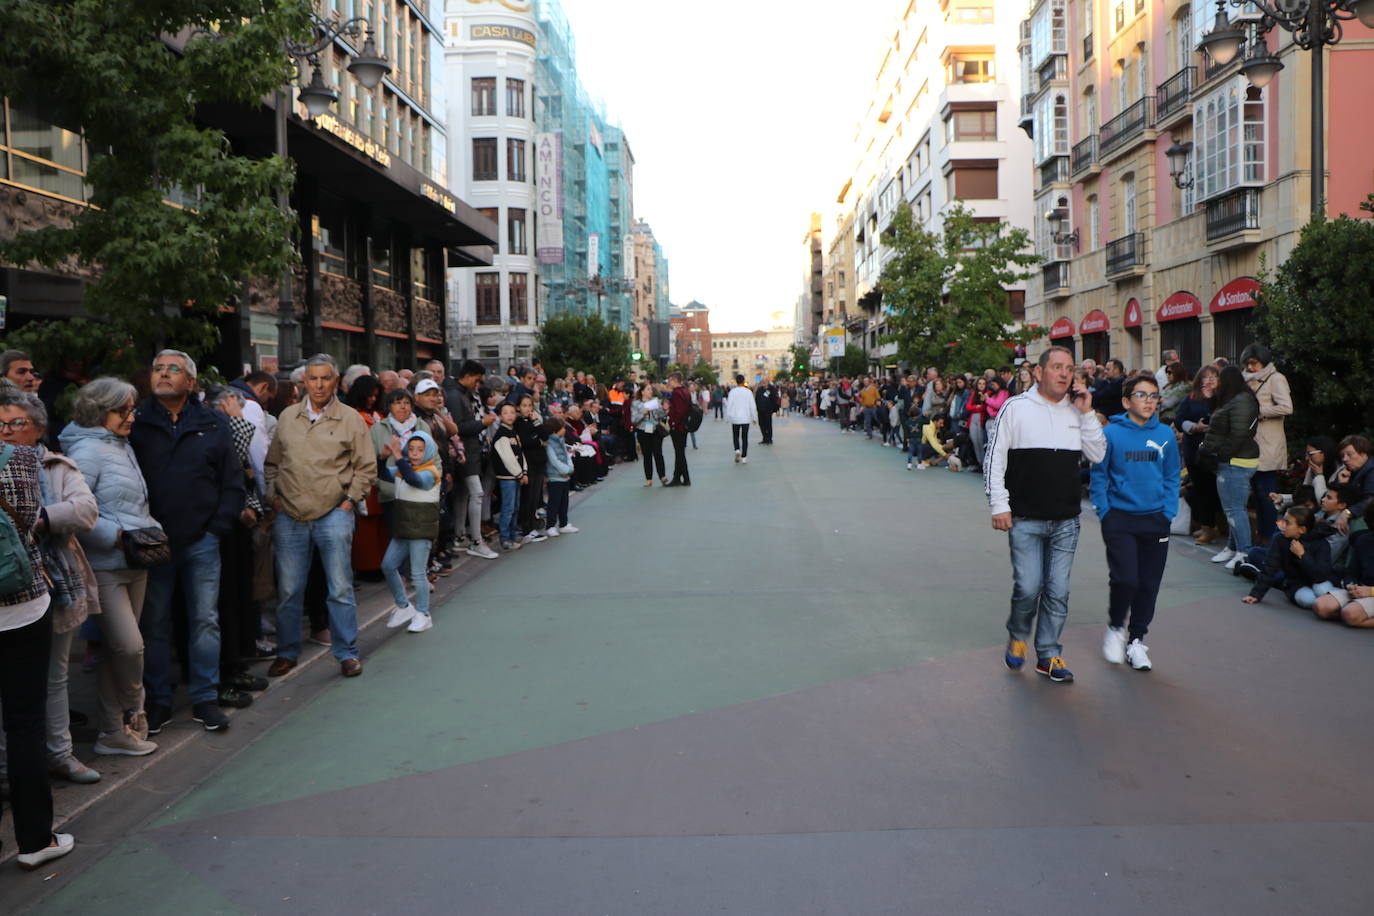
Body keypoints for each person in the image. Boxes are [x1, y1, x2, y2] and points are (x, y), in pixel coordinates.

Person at [130, 350, 244, 733]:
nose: (163, 374)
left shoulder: (213, 423)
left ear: (191, 382)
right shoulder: (137, 422)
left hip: (203, 541)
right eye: (158, 368)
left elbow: (232, 482)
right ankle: (159, 701)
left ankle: (205, 698)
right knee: (155, 623)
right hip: (154, 541)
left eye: (173, 369)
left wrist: (216, 527)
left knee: (205, 621)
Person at [985, 346, 1106, 683]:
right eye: (1057, 367)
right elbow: (995, 459)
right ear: (1039, 373)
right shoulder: (1015, 408)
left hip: (1066, 519)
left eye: (1069, 368)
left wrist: (1087, 414)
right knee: (1028, 586)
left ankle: (1049, 654)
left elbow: (1097, 454)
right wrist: (999, 504)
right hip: (1024, 518)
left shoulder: (1077, 411)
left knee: (1058, 590)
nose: (1065, 373)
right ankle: (1018, 634)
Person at [0, 391, 101, 784]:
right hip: (8, 587)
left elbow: (86, 510)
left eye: (15, 423)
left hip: (54, 581)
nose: (5, 432)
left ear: (39, 428)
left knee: (55, 675)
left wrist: (40, 518)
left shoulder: (56, 465)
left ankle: (61, 753)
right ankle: (9, 768)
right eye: (0, 424)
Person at [59, 379, 160, 755]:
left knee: (114, 651)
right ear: (101, 411)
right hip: (106, 564)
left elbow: (134, 504)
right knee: (129, 647)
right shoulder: (87, 450)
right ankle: (135, 711)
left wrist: (150, 531)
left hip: (136, 559)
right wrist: (118, 537)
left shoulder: (119, 444)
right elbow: (78, 510)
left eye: (132, 409)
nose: (131, 417)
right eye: (124, 410)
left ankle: (113, 732)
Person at [264, 354, 377, 679]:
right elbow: (272, 463)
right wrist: (275, 497)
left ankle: (346, 653)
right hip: (291, 515)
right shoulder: (287, 417)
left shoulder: (350, 418)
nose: (318, 384)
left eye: (324, 378)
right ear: (304, 383)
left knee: (339, 588)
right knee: (288, 590)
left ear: (335, 381)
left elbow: (366, 466)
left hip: (334, 513)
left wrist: (349, 501)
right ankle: (287, 652)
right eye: (312, 378)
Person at [0, 430, 77, 869]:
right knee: (25, 725)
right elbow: (31, 523)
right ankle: (34, 840)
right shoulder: (24, 459)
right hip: (23, 604)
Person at [1090, 374, 1180, 672]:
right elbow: (1099, 475)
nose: (1149, 401)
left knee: (1148, 584)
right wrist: (1104, 510)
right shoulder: (1112, 434)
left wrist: (1168, 511)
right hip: (1119, 518)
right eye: (1142, 395)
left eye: (1154, 395)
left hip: (1156, 519)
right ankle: (1116, 628)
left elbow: (1171, 475)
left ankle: (1136, 641)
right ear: (1127, 401)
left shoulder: (1166, 435)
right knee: (1126, 578)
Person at [378, 430, 442, 634]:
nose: (414, 453)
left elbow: (414, 479)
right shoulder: (401, 469)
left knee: (417, 574)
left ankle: (424, 614)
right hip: (403, 529)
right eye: (411, 449)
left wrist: (397, 456)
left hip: (421, 530)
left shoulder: (430, 472)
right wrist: (383, 457)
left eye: (420, 450)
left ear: (429, 451)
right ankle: (404, 606)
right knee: (388, 565)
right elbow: (381, 473)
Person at [1201, 366, 1260, 569]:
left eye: (1218, 378)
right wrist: (1210, 398)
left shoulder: (1241, 401)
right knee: (1232, 509)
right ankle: (1232, 547)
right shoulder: (1234, 399)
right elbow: (1221, 423)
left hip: (1236, 462)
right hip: (1232, 461)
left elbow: (1238, 435)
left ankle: (1244, 552)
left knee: (1235, 509)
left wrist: (1220, 456)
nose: (1215, 382)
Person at [448, 360, 499, 560]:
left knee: (464, 495)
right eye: (476, 380)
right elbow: (458, 428)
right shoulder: (456, 395)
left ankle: (461, 536)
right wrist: (482, 423)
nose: (478, 385)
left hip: (467, 452)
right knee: (475, 494)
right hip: (465, 453)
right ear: (468, 376)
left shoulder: (458, 393)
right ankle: (476, 540)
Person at [1241, 344, 1292, 545]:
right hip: (1250, 444)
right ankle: (1262, 536)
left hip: (1269, 444)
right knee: (1257, 495)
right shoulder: (1246, 380)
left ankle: (1270, 538)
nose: (1251, 367)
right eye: (1248, 364)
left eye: (1254, 363)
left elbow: (1287, 407)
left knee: (1267, 495)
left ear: (1264, 360)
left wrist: (1259, 411)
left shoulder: (1276, 378)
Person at [1241, 506, 1334, 609]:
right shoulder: (1280, 540)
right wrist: (1255, 594)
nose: (1281, 525)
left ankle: (1336, 607)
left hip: (1318, 581)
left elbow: (1321, 576)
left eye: (1287, 523)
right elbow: (1269, 568)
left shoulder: (1321, 543)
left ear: (1302, 529)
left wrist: (1303, 556)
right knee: (1308, 599)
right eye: (1282, 521)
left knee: (1323, 591)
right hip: (1295, 585)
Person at [1174, 365, 1220, 544]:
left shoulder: (1221, 399)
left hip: (1214, 451)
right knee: (1200, 489)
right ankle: (1206, 526)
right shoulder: (1191, 398)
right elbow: (1178, 419)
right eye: (1205, 377)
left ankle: (1210, 526)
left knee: (1211, 489)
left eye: (1213, 377)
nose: (1208, 381)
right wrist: (1193, 427)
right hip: (1193, 448)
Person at [1312, 500, 1374, 627]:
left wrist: (1371, 591)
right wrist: (1351, 586)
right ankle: (1356, 613)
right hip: (1360, 589)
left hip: (1371, 591)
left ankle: (1354, 614)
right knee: (1321, 606)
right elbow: (1351, 572)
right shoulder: (1364, 540)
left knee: (1350, 614)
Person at [491, 401, 526, 550]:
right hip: (507, 477)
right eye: (505, 413)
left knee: (515, 507)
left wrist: (524, 471)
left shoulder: (513, 432)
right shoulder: (501, 434)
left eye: (512, 412)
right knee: (508, 508)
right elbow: (508, 458)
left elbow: (520, 453)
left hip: (516, 476)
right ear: (500, 416)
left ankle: (513, 534)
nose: (509, 415)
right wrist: (519, 474)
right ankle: (505, 538)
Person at [543, 418, 577, 537]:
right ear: (555, 430)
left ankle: (563, 524)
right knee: (554, 502)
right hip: (555, 478)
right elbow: (554, 461)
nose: (564, 429)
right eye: (562, 427)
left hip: (565, 477)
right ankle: (550, 526)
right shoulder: (549, 444)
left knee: (564, 501)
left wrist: (569, 469)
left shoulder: (561, 441)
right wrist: (566, 470)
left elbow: (567, 456)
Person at [631, 382, 669, 485]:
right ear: (642, 391)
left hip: (655, 429)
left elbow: (661, 415)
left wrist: (663, 409)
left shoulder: (655, 401)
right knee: (647, 455)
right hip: (643, 430)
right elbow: (633, 420)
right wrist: (642, 413)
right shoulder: (636, 404)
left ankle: (662, 476)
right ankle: (649, 479)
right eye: (648, 389)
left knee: (658, 453)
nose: (650, 391)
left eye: (651, 390)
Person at [666, 373, 692, 487]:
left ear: (675, 380)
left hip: (678, 426)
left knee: (680, 453)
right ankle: (677, 477)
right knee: (679, 452)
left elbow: (679, 411)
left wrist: (672, 423)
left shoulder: (676, 392)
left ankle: (685, 478)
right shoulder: (686, 391)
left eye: (670, 380)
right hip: (684, 426)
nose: (669, 383)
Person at [724, 375, 758, 464]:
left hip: (735, 418)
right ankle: (744, 457)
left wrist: (728, 417)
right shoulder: (748, 392)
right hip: (746, 418)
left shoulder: (732, 392)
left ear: (736, 381)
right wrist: (754, 417)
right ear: (743, 381)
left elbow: (729, 404)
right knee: (745, 437)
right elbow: (752, 405)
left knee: (735, 436)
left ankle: (737, 450)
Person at [756, 379, 778, 445]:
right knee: (761, 424)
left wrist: (773, 409)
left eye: (765, 382)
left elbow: (774, 399)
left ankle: (769, 439)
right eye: (762, 382)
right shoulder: (760, 389)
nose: (763, 383)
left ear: (768, 382)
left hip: (768, 410)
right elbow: (757, 398)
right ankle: (764, 438)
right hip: (760, 410)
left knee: (768, 425)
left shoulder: (772, 389)